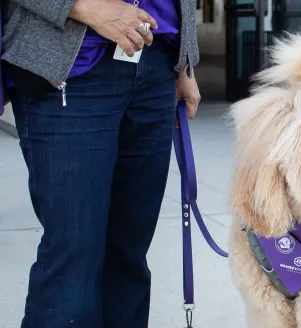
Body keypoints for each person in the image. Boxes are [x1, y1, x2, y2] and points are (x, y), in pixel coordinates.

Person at [2, 0, 201, 327]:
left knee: (128, 258)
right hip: (70, 65)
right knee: (73, 260)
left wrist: (183, 59)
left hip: (156, 61)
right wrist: (83, 6)